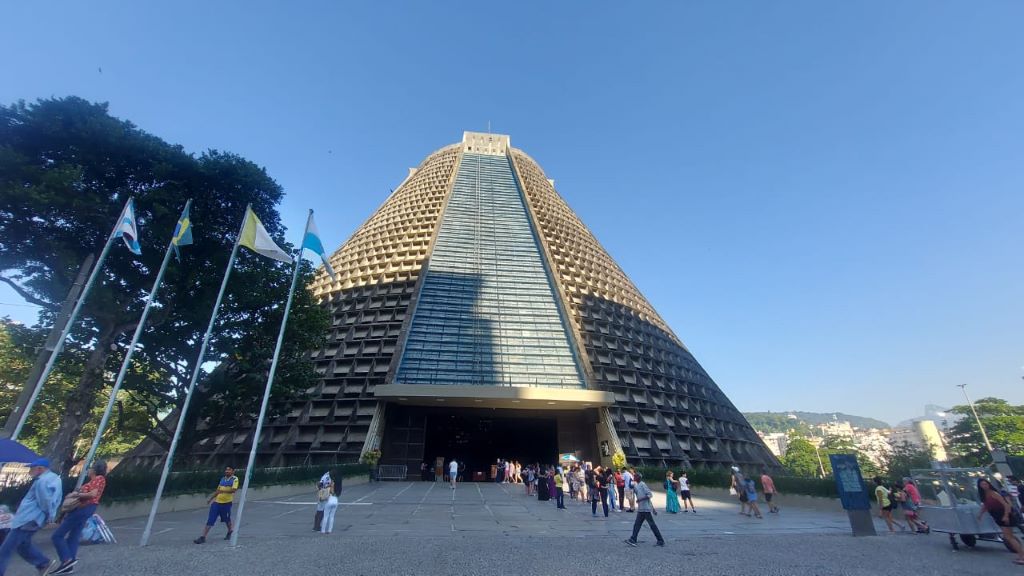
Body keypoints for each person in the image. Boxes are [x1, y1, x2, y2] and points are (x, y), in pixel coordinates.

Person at [0, 458, 61, 575]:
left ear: (40, 469)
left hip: (28, 519)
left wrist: (49, 516)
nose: (30, 470)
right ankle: (43, 563)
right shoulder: (53, 479)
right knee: (23, 545)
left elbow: (45, 501)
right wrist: (49, 516)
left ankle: (43, 563)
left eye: (32, 468)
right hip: (32, 519)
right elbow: (52, 500)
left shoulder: (42, 481)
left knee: (5, 550)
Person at [50, 460, 108, 575]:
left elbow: (93, 494)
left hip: (84, 507)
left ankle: (66, 560)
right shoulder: (94, 480)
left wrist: (75, 494)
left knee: (57, 536)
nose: (88, 470)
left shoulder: (99, 479)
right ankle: (68, 566)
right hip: (85, 508)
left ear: (94, 470)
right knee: (74, 536)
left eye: (90, 468)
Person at [977, 478, 1024, 565]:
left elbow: (1006, 505)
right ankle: (1021, 555)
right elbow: (986, 506)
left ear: (989, 484)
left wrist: (1006, 516)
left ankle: (1022, 556)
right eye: (982, 484)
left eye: (985, 484)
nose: (984, 486)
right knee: (1009, 537)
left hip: (1003, 515)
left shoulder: (994, 493)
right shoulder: (985, 495)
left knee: (1009, 537)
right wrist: (980, 514)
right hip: (998, 515)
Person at [194, 466, 239, 543]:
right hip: (217, 502)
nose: (227, 471)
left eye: (229, 470)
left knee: (226, 519)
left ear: (233, 471)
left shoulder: (235, 479)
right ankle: (203, 537)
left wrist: (223, 490)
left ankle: (230, 531)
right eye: (226, 470)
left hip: (226, 503)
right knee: (211, 519)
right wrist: (211, 499)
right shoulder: (222, 479)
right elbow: (218, 490)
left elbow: (234, 490)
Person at [625, 472, 665, 547]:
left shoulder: (642, 484)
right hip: (641, 509)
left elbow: (650, 495)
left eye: (635, 476)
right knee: (637, 524)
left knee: (652, 525)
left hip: (645, 508)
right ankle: (633, 539)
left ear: (638, 478)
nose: (634, 477)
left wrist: (640, 500)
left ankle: (660, 540)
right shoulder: (637, 485)